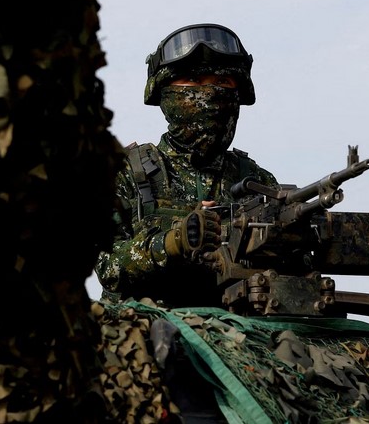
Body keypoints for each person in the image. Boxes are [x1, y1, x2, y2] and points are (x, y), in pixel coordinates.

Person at [95, 23, 277, 308]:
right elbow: (108, 266)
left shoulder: (256, 181)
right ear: (165, 93)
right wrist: (174, 242)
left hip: (237, 326)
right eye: (193, 81)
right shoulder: (127, 172)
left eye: (223, 82)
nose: (210, 92)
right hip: (144, 324)